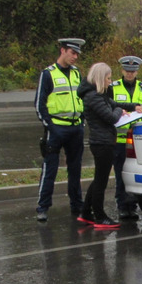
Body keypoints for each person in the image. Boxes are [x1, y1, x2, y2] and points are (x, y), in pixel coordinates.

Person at [77, 62, 141, 228]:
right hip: (101, 143)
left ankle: (85, 212)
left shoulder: (100, 95)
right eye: (107, 78)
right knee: (101, 181)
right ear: (99, 78)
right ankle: (99, 216)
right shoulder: (93, 97)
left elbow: (114, 105)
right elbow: (111, 116)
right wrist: (121, 112)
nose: (109, 82)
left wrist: (133, 107)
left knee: (98, 178)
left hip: (104, 141)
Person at [35, 38, 86, 222]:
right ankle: (43, 207)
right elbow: (39, 105)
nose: (75, 57)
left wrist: (82, 123)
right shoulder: (48, 74)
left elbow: (84, 99)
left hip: (75, 129)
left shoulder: (77, 73)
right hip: (56, 129)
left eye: (77, 54)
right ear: (63, 50)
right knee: (50, 170)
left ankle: (77, 205)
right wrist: (51, 127)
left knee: (75, 170)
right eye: (73, 53)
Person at [111, 56, 142, 219]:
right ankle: (122, 205)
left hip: (137, 140)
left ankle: (132, 205)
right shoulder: (113, 87)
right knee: (121, 174)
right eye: (127, 71)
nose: (130, 74)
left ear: (137, 72)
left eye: (133, 71)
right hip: (119, 139)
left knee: (135, 174)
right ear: (122, 70)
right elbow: (110, 107)